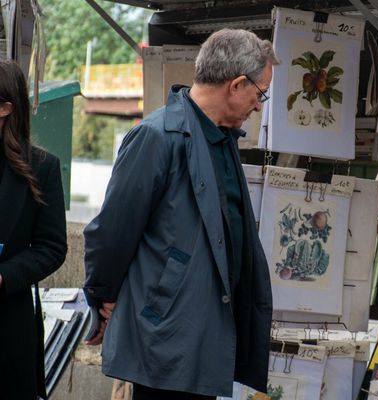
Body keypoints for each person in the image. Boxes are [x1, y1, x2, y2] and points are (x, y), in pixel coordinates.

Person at [83, 29, 279, 399]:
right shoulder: (157, 137)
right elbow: (112, 231)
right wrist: (101, 296)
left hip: (202, 332)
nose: (259, 105)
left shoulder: (222, 139)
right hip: (165, 337)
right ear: (236, 84)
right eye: (260, 93)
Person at [0, 60, 67, 399]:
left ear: (5, 108)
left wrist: (4, 276)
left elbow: (52, 247)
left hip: (8, 325)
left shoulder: (41, 167)